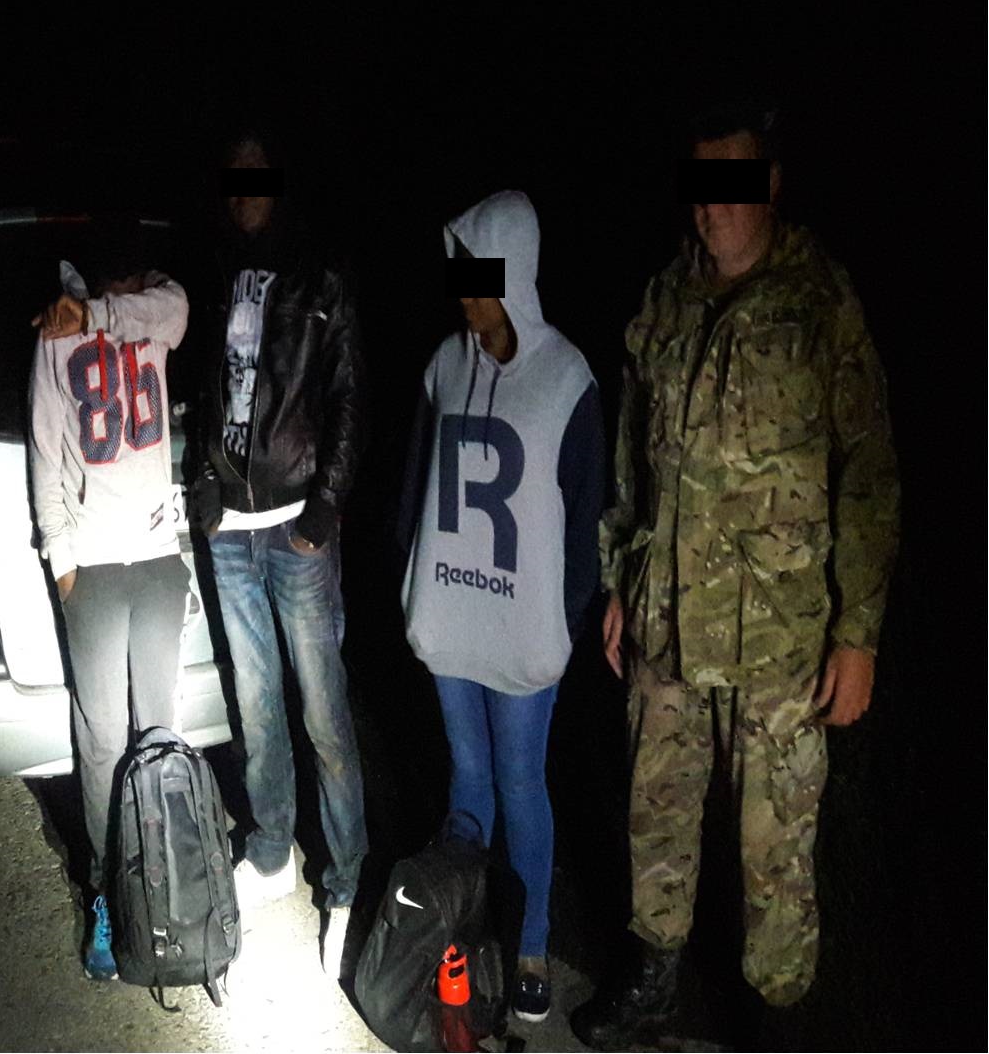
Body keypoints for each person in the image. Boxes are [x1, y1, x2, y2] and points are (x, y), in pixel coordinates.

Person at [570, 103, 900, 1048]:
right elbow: (634, 457)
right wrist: (621, 579)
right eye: (700, 187)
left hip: (778, 641)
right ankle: (656, 983)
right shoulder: (667, 296)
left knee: (774, 852)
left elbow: (869, 472)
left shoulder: (817, 302)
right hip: (670, 622)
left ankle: (777, 1020)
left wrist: (857, 635)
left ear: (772, 183)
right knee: (658, 819)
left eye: (731, 186)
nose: (711, 209)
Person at [399, 192, 603, 1023]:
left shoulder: (566, 377)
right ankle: (464, 932)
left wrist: (568, 620)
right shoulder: (445, 365)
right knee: (467, 775)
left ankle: (532, 942)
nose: (464, 294)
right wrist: (408, 580)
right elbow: (416, 484)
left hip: (522, 629)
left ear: (514, 272)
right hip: (453, 614)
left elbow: (585, 513)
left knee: (521, 780)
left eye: (478, 276)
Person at [189, 128, 368, 978]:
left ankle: (346, 878)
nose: (243, 192)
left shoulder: (319, 273)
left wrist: (325, 505)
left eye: (256, 177)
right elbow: (200, 383)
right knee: (255, 705)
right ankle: (270, 851)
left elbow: (349, 392)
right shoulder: (213, 268)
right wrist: (203, 484)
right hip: (231, 528)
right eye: (233, 178)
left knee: (324, 711)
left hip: (297, 525)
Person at [29, 229, 192, 979]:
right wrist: (63, 565)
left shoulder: (151, 306)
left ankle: (162, 881)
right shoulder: (53, 335)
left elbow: (177, 307)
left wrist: (98, 312)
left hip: (156, 558)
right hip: (93, 566)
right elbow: (45, 453)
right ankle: (105, 891)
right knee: (100, 740)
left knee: (159, 730)